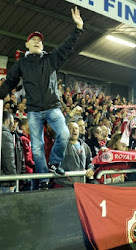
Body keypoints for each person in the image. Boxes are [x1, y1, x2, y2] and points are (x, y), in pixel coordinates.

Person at [0, 7, 84, 189]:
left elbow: (67, 46)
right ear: (27, 45)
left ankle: (54, 163)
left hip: (53, 107)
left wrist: (77, 29)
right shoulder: (21, 63)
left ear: (43, 46)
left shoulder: (50, 59)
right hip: (34, 111)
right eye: (33, 39)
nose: (37, 41)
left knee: (64, 134)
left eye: (40, 40)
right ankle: (44, 179)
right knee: (36, 147)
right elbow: (9, 82)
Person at [1, 111, 17, 193]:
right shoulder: (5, 135)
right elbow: (8, 161)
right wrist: (13, 181)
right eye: (12, 121)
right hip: (4, 183)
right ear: (8, 121)